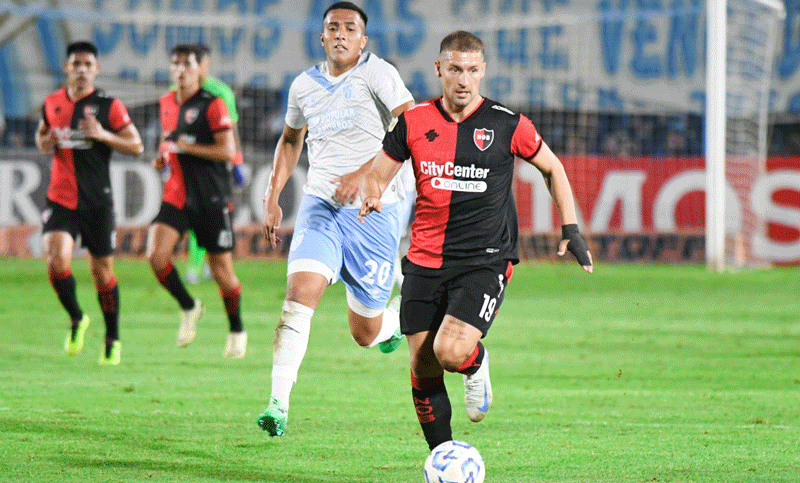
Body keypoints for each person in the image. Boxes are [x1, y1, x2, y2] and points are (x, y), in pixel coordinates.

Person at [358, 30, 593, 451]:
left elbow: (553, 168)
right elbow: (377, 174)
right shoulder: (413, 123)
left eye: (471, 70)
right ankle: (442, 458)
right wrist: (372, 194)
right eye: (454, 70)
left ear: (482, 71)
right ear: (439, 70)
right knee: (422, 363)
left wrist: (570, 229)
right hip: (424, 259)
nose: (463, 80)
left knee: (449, 352)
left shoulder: (508, 123)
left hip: (485, 260)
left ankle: (476, 362)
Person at [257, 1, 415, 437]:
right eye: (333, 28)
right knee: (298, 295)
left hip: (374, 210)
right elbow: (290, 140)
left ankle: (396, 321)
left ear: (363, 40)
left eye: (350, 28)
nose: (341, 34)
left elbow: (411, 127)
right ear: (322, 37)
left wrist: (364, 175)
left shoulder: (378, 73)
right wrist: (273, 196)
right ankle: (278, 402)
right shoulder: (303, 86)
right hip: (321, 203)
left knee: (364, 332)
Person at [35, 40, 144, 365]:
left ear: (95, 69)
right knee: (56, 260)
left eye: (87, 65)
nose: (81, 69)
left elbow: (136, 145)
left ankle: (112, 337)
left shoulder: (109, 106)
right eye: (76, 64)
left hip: (98, 203)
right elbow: (41, 138)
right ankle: (77, 317)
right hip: (61, 200)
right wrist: (46, 140)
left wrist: (102, 134)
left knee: (102, 272)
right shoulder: (52, 102)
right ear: (67, 68)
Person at [148, 44, 247, 358]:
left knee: (222, 272)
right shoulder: (166, 101)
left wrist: (185, 147)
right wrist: (163, 157)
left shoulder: (214, 103)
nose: (180, 70)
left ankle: (236, 329)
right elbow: (169, 140)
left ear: (200, 69)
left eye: (187, 64)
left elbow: (227, 151)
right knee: (156, 256)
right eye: (175, 64)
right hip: (177, 194)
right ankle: (189, 306)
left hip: (210, 196)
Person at [184, 43, 247, 285]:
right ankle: (195, 265)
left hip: (217, 163)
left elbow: (231, 128)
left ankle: (214, 262)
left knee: (218, 215)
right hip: (190, 162)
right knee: (194, 214)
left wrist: (237, 161)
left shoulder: (221, 92)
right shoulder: (177, 91)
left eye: (196, 63)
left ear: (204, 64)